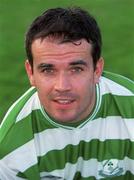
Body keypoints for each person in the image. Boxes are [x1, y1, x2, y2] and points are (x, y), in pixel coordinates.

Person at [0, 7, 134, 180]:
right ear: (31, 73)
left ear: (97, 70)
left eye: (76, 69)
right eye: (48, 70)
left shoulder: (131, 108)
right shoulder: (11, 148)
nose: (62, 86)